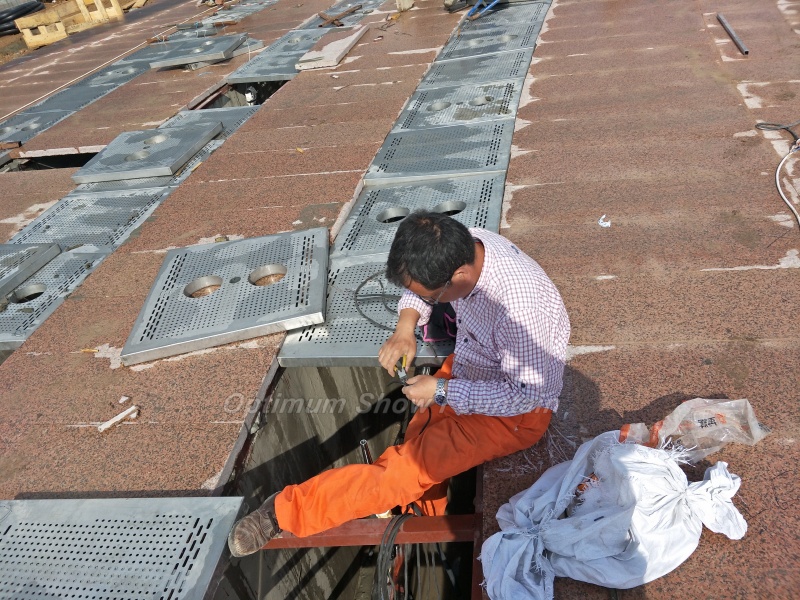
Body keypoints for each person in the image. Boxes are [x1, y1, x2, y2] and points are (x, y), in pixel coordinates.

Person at [227, 211, 570, 557]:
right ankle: (420, 512)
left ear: (460, 275)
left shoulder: (523, 308)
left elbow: (528, 396)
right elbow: (424, 289)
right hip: (473, 366)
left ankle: (282, 511)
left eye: (433, 298)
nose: (428, 303)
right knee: (417, 435)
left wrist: (439, 391)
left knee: (404, 472)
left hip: (512, 414)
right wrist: (405, 329)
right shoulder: (463, 243)